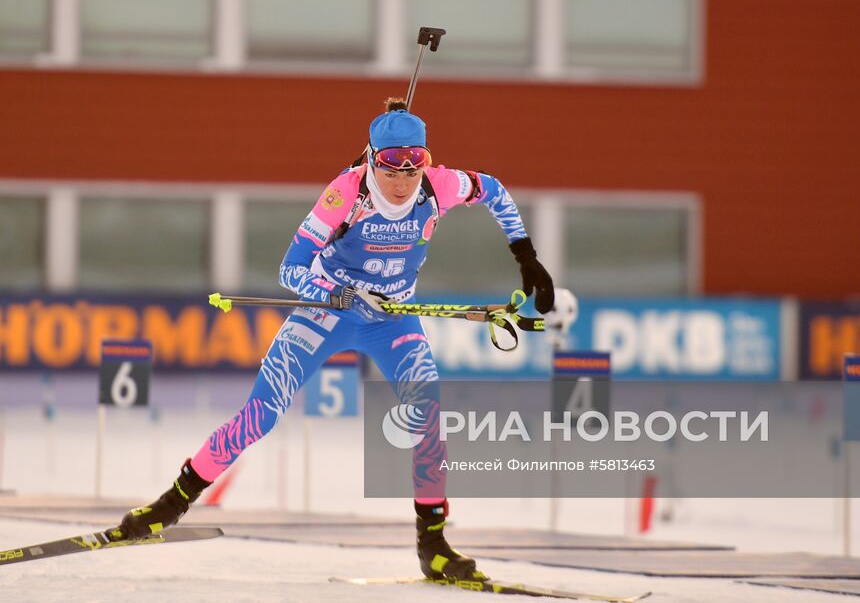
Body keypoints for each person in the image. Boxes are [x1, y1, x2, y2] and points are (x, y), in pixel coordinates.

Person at [116, 99, 554, 580]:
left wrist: (525, 256)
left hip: (392, 318)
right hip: (328, 312)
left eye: (414, 165)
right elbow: (291, 269)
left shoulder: (440, 185)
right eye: (391, 168)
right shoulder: (345, 194)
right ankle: (170, 504)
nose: (403, 180)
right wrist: (337, 293)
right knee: (260, 415)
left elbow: (494, 190)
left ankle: (434, 543)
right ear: (372, 159)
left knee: (429, 414)